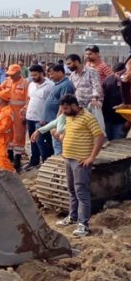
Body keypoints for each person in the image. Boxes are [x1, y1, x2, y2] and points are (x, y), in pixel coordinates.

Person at [55, 94, 105, 237]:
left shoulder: (88, 117)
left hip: (80, 161)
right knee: (71, 189)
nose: (63, 112)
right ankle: (73, 217)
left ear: (74, 105)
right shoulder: (69, 117)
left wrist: (91, 157)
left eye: (66, 108)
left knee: (81, 192)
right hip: (69, 159)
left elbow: (99, 136)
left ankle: (83, 224)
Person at [24, 64, 54, 169]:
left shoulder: (50, 85)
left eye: (35, 75)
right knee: (32, 140)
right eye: (32, 75)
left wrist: (45, 118)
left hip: (41, 118)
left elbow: (51, 103)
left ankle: (46, 162)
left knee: (43, 141)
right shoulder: (31, 84)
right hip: (30, 116)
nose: (33, 77)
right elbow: (29, 98)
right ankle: (34, 161)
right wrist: (26, 109)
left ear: (41, 73)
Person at [42, 64, 75, 155]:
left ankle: (61, 165)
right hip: (54, 120)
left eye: (52, 74)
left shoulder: (66, 85)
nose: (50, 77)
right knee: (56, 144)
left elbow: (64, 104)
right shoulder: (59, 84)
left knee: (59, 145)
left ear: (60, 73)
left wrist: (58, 120)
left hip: (58, 121)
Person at [1, 64, 28, 172]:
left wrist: (25, 112)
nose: (11, 76)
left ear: (18, 73)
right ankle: (10, 156)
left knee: (19, 136)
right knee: (8, 134)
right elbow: (0, 91)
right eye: (9, 74)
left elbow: (28, 99)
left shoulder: (25, 84)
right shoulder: (7, 81)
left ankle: (17, 159)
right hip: (8, 112)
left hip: (19, 114)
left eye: (13, 74)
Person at [102, 62, 129, 141]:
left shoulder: (128, 82)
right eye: (116, 73)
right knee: (106, 142)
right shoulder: (108, 80)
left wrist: (128, 122)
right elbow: (102, 96)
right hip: (107, 118)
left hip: (121, 120)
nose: (118, 75)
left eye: (120, 73)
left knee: (118, 142)